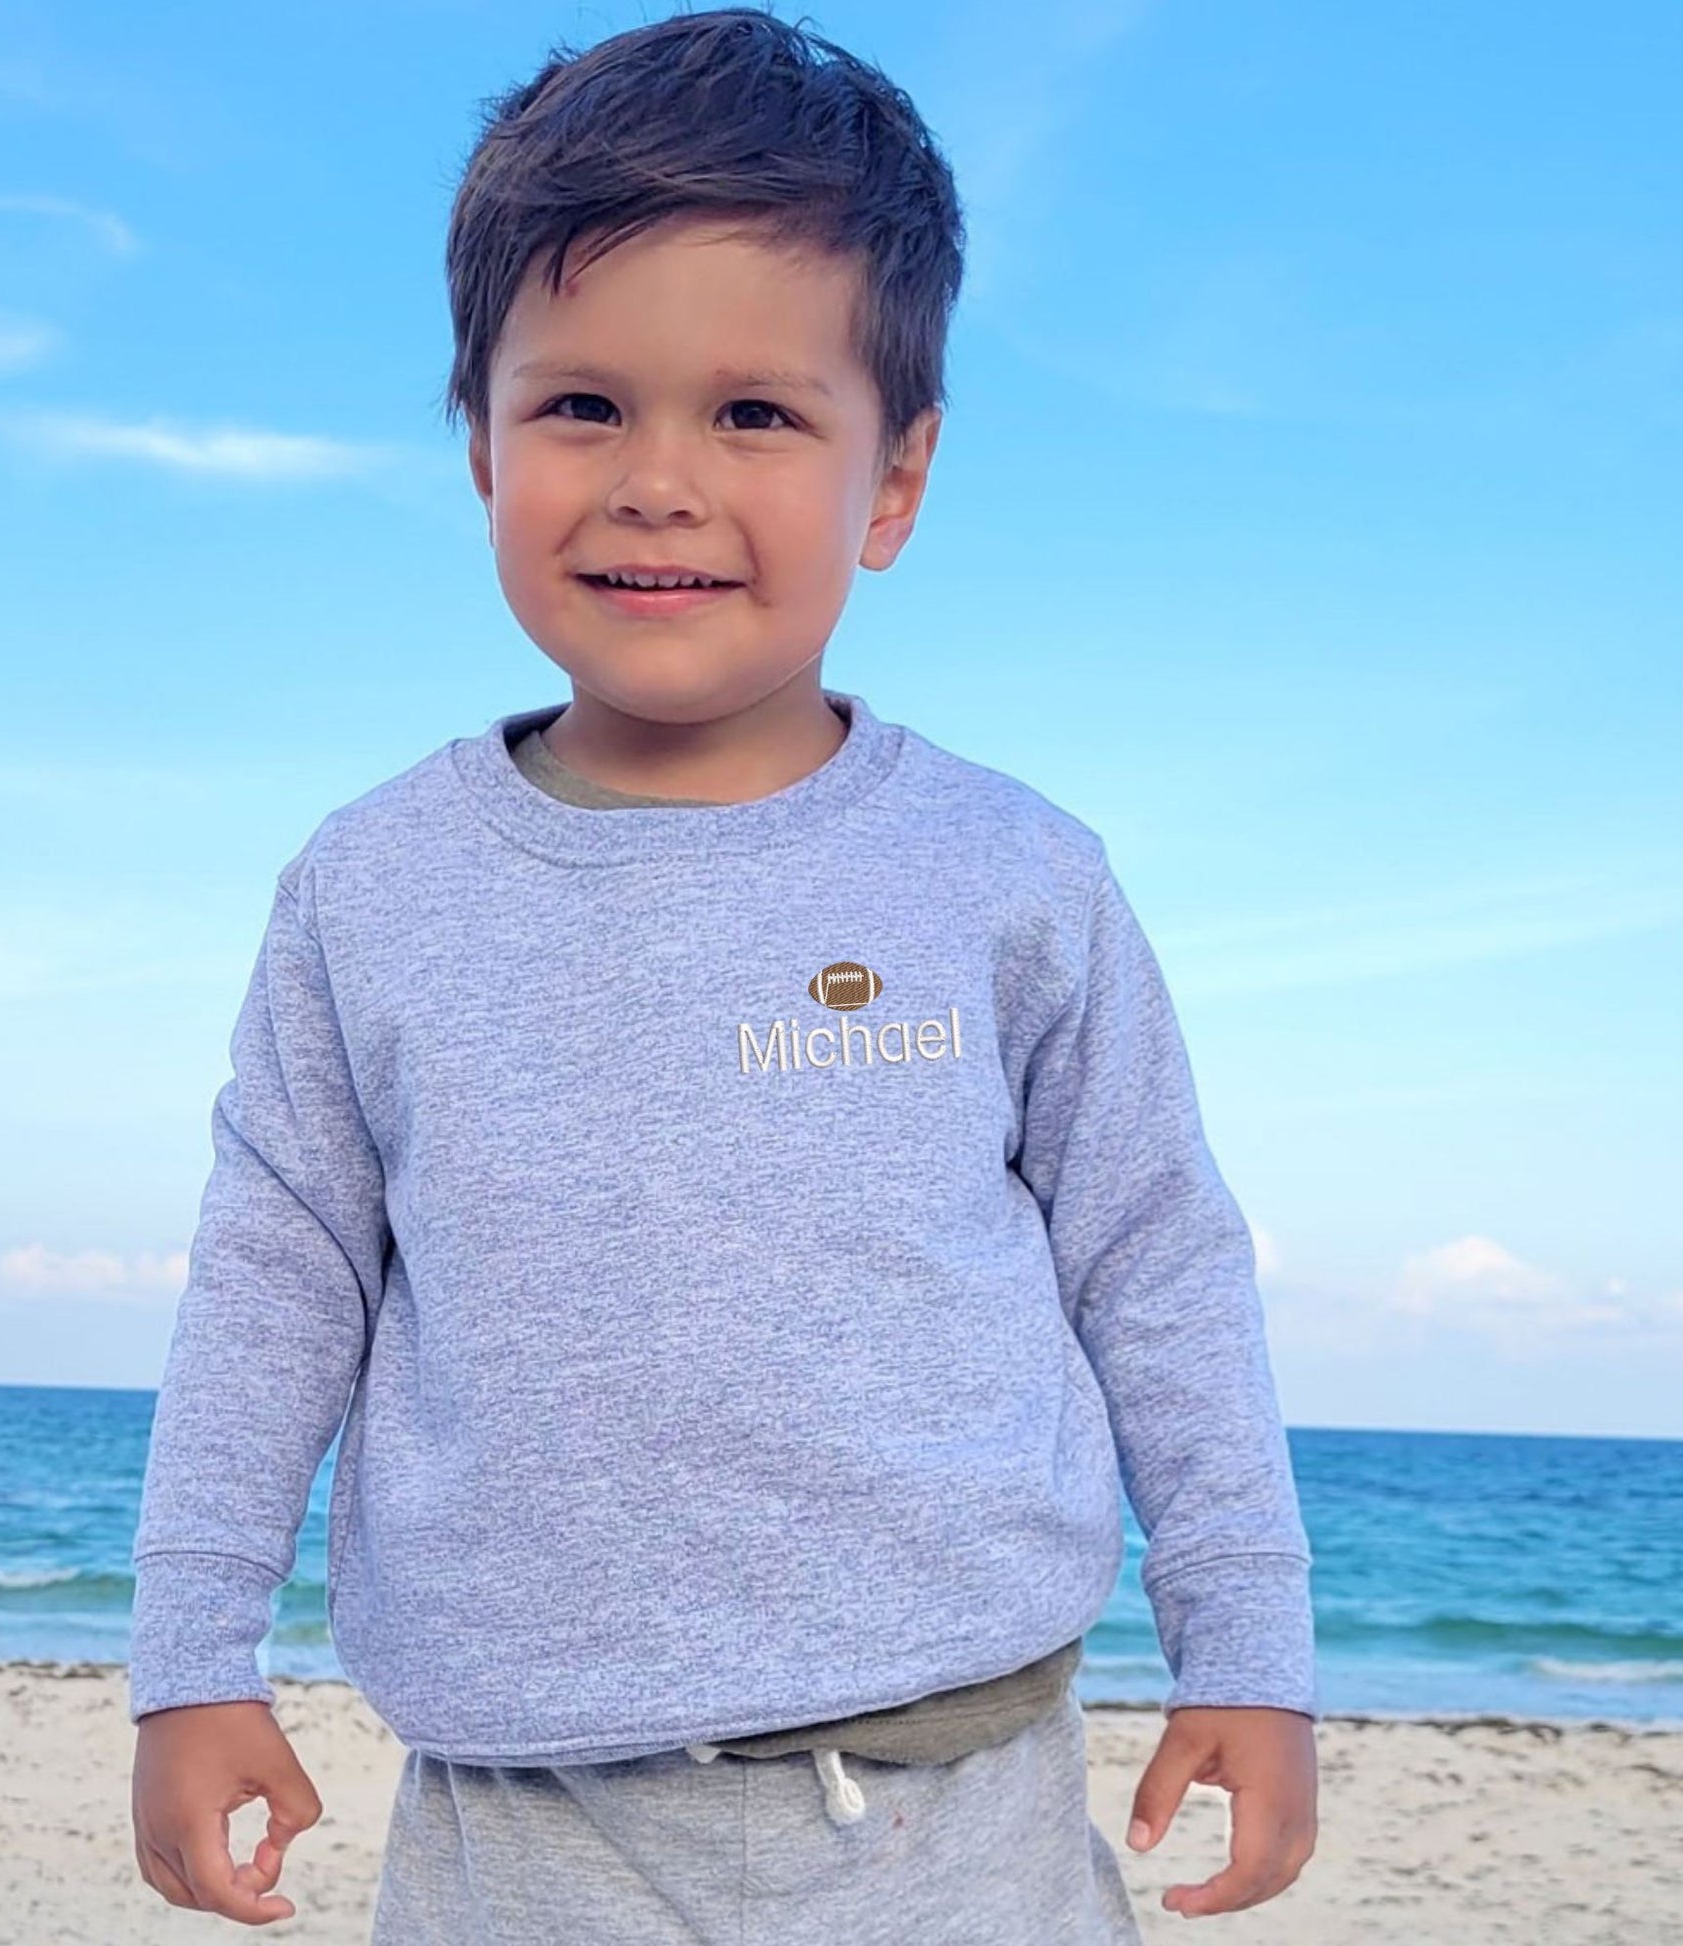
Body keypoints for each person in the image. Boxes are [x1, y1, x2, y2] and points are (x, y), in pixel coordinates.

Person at [126, 8, 1320, 1939]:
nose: (656, 481)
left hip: (960, 1808)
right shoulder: (370, 885)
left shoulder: (1012, 874)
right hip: (524, 1824)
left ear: (893, 480)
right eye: (581, 405)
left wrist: (1245, 1643)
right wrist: (191, 1652)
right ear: (480, 442)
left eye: (753, 412)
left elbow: (1154, 1257)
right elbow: (278, 1277)